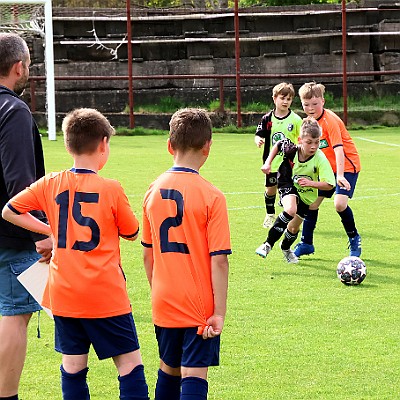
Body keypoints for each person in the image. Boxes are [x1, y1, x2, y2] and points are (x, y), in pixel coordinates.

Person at [2, 108, 149, 400]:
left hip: (65, 294)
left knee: (72, 366)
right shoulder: (110, 188)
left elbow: (10, 211)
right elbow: (132, 232)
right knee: (129, 364)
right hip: (106, 294)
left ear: (68, 145)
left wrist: (50, 232)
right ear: (104, 144)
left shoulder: (49, 183)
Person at [141, 108, 231, 400]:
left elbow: (148, 255)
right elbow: (219, 259)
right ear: (208, 147)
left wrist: (159, 292)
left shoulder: (152, 190)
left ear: (170, 145)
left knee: (168, 368)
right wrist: (218, 312)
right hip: (198, 301)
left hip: (164, 297)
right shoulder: (212, 196)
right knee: (193, 372)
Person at [0, 32, 53, 400]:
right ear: (19, 67)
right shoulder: (14, 110)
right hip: (12, 234)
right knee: (15, 313)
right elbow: (20, 183)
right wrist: (42, 232)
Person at [293, 82, 362, 258]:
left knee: (339, 204)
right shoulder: (306, 123)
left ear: (323, 101)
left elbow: (339, 149)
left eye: (315, 104)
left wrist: (339, 175)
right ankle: (306, 243)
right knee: (312, 204)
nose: (310, 108)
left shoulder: (330, 121)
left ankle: (354, 239)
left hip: (346, 166)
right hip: (327, 168)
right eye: (306, 104)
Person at [255, 117, 335, 264]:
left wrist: (311, 183)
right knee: (290, 209)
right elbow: (278, 144)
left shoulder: (320, 158)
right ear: (300, 140)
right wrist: (267, 163)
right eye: (309, 142)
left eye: (316, 142)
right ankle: (267, 244)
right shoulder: (292, 149)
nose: (313, 146)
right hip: (287, 181)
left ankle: (285, 248)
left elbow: (330, 184)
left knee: (293, 228)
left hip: (306, 195)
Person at [254, 82, 302, 229]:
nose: (285, 102)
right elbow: (258, 134)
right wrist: (258, 140)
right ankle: (270, 214)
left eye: (289, 99)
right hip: (272, 162)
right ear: (274, 99)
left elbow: (302, 138)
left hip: (289, 164)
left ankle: (287, 215)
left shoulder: (295, 120)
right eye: (283, 98)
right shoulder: (267, 119)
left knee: (290, 189)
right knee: (270, 189)